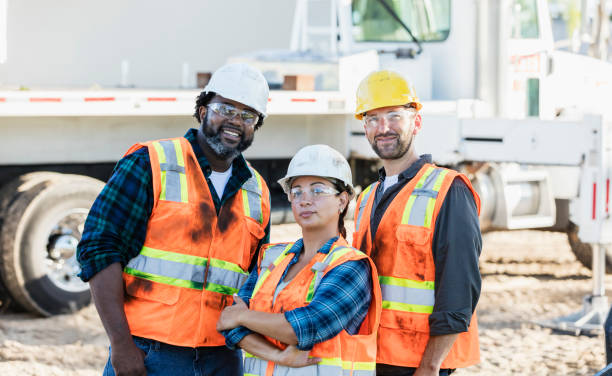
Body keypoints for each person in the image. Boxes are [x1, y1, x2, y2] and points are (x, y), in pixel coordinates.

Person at [76, 63, 272, 376]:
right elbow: (99, 249)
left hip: (222, 357)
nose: (235, 121)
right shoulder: (151, 162)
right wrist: (122, 346)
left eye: (248, 115)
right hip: (149, 353)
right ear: (204, 110)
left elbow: (255, 278)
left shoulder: (257, 190)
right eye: (225, 108)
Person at [351, 70, 482, 376]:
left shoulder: (449, 189)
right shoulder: (366, 198)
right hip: (369, 357)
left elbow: (460, 287)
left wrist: (431, 365)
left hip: (420, 364)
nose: (383, 128)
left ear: (417, 122)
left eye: (394, 116)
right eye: (372, 119)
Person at [217, 144, 381, 375]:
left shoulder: (350, 266)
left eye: (317, 190)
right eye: (296, 192)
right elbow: (230, 328)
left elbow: (307, 327)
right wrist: (278, 355)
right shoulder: (270, 258)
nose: (304, 200)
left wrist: (244, 316)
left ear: (342, 201)